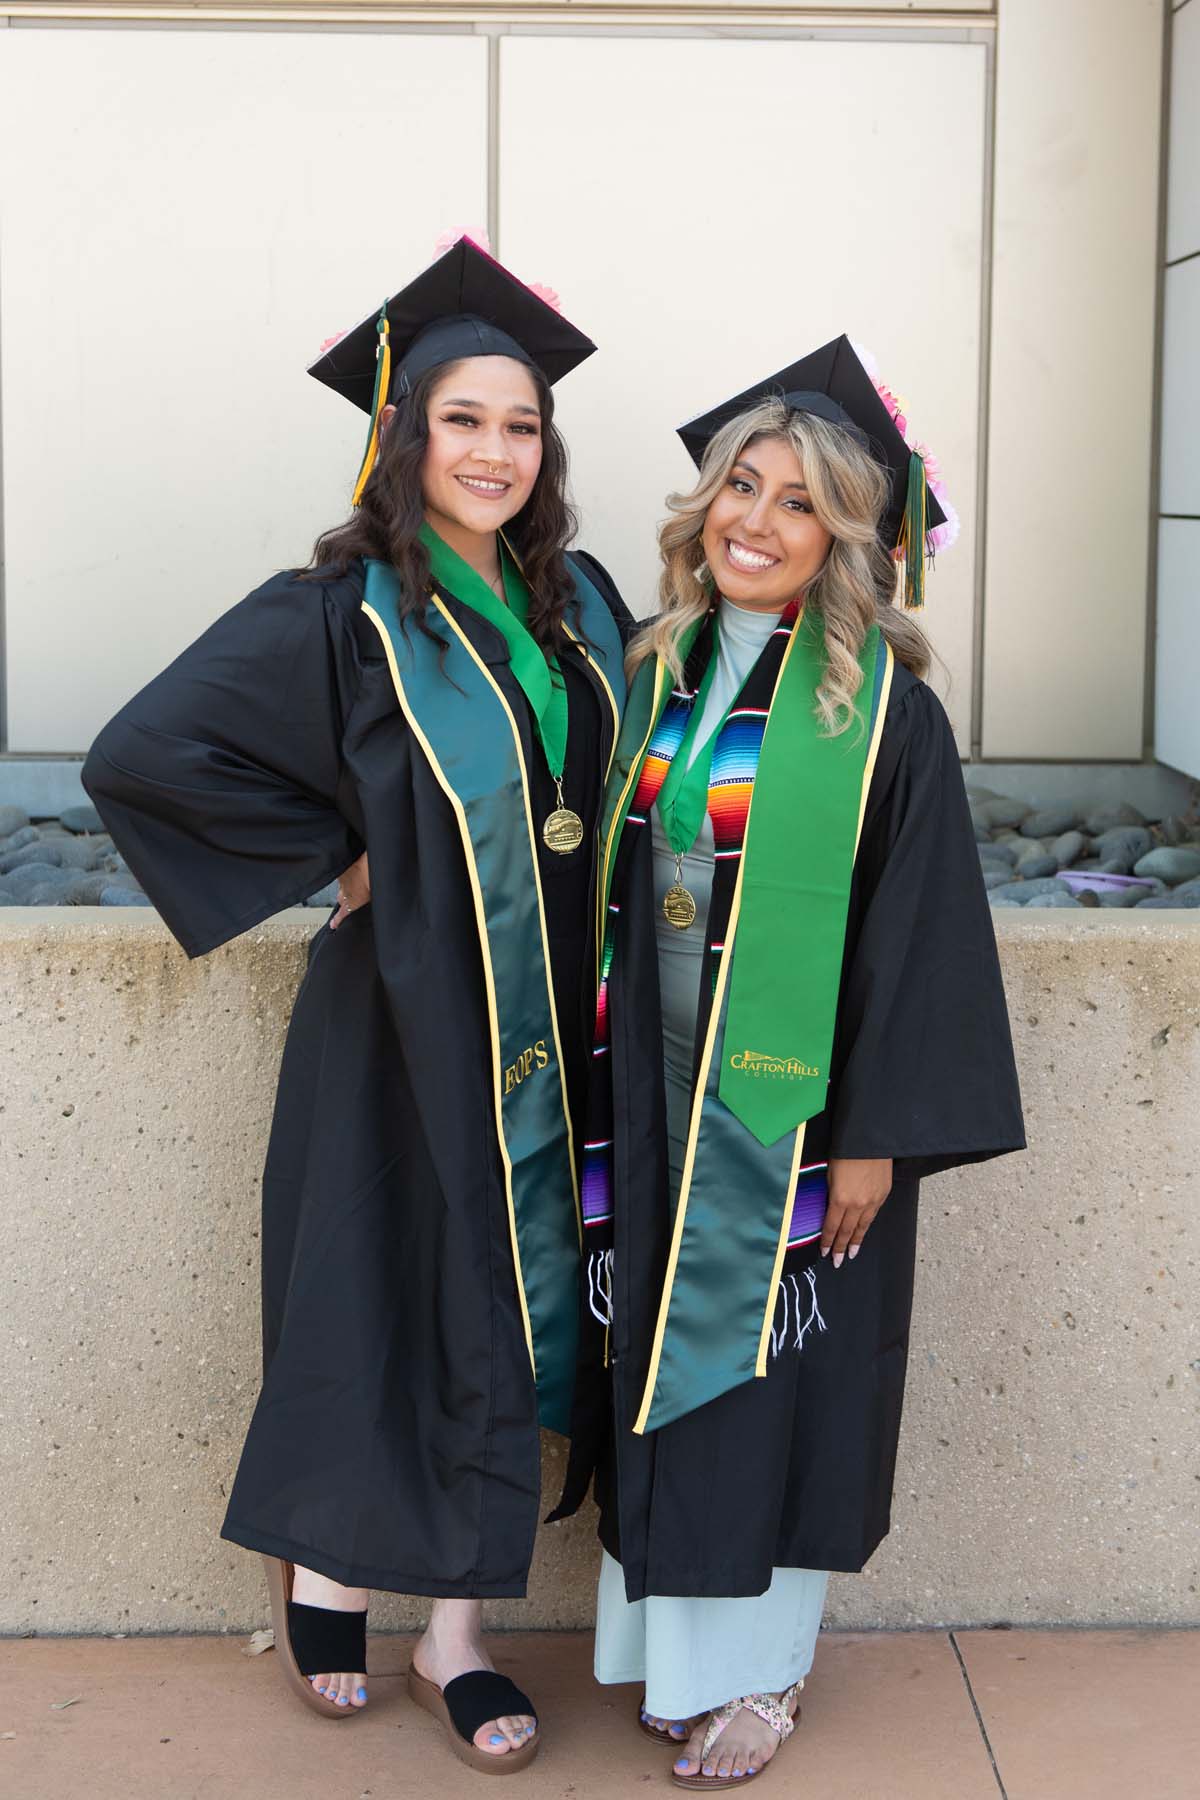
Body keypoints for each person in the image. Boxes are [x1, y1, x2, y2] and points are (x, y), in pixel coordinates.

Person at [83, 236, 630, 1773]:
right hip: (404, 1022)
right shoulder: (338, 607)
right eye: (463, 420)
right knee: (379, 1288)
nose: (495, 452)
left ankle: (455, 1633)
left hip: (555, 1022)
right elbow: (142, 753)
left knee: (518, 1314)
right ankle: (330, 1575)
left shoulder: (577, 595)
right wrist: (342, 853)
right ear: (404, 437)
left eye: (520, 426)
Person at [554, 337, 1024, 1789]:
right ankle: (670, 1656)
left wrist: (874, 1131)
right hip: (652, 1102)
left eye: (798, 502)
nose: (753, 520)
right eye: (738, 487)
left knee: (781, 1385)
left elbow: (919, 938)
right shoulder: (652, 669)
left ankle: (763, 1673)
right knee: (668, 1372)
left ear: (845, 536)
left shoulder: (881, 710)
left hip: (798, 1124)